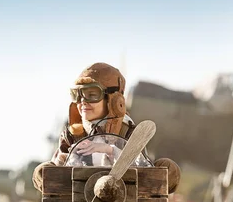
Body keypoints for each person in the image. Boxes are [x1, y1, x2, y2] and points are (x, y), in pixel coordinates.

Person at [32, 62, 181, 193]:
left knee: (166, 169)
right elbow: (59, 173)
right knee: (44, 171)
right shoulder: (73, 134)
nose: (82, 102)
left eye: (92, 94)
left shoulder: (128, 132)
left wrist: (110, 150)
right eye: (77, 95)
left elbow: (141, 171)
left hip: (123, 201)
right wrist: (53, 171)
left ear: (114, 99)